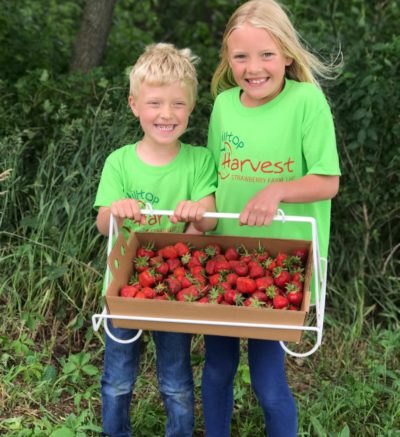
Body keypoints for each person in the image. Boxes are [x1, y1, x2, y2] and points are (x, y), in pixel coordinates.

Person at [202, 0, 341, 436]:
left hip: (281, 265)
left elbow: (327, 181)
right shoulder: (224, 105)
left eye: (265, 54)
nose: (253, 67)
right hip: (225, 257)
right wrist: (197, 219)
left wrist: (277, 189)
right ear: (227, 59)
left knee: (267, 378)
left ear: (286, 54)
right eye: (240, 56)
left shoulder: (306, 100)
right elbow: (211, 175)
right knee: (217, 369)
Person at [94, 43, 217, 437]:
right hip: (124, 286)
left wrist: (197, 214)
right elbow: (101, 223)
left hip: (176, 289)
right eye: (155, 103)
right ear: (134, 105)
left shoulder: (199, 160)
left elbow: (210, 222)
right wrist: (117, 209)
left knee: (177, 380)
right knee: (118, 379)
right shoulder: (119, 162)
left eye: (178, 104)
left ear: (192, 106)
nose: (167, 114)